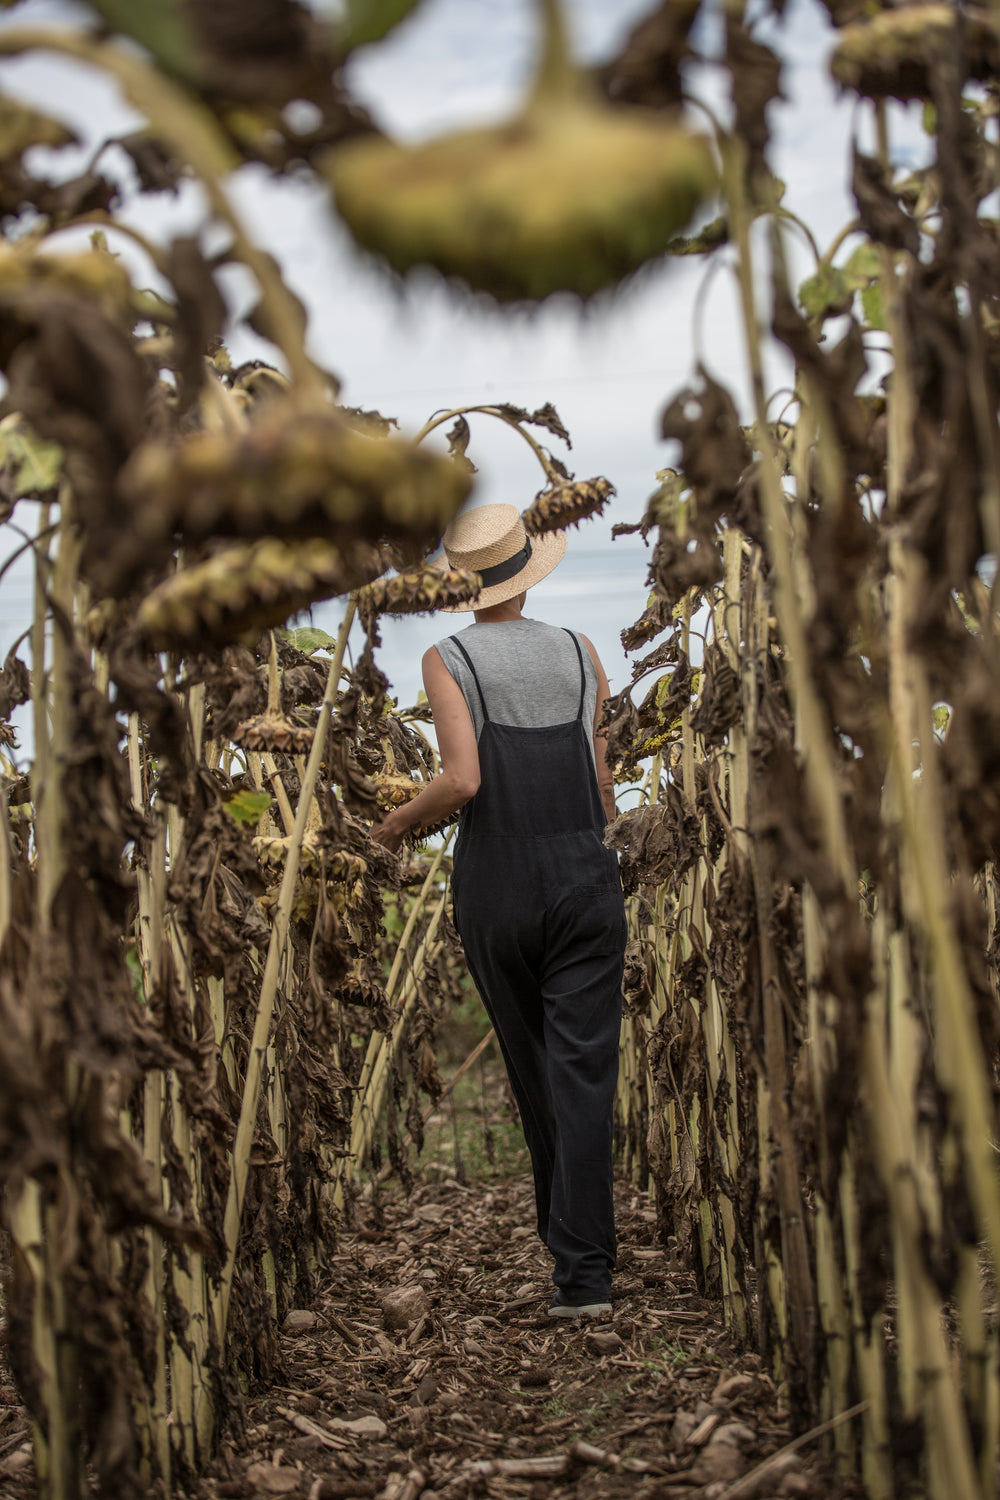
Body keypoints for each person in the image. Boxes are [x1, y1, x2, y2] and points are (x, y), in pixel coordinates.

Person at [371, 503, 626, 1318]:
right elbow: (604, 784)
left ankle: (570, 1254)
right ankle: (584, 1275)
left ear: (462, 585)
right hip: (587, 877)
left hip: (501, 887)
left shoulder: (450, 658)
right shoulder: (584, 655)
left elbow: (463, 782)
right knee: (583, 1073)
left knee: (536, 1072)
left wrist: (390, 830)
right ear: (528, 567)